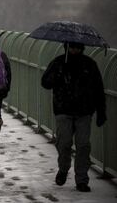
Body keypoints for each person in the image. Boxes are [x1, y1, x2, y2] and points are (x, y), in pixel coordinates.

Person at [41, 42, 107, 192]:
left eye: (77, 47)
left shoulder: (89, 64)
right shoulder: (58, 62)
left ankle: (82, 180)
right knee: (64, 143)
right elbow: (45, 82)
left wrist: (101, 111)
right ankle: (63, 169)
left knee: (83, 146)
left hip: (84, 112)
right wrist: (57, 75)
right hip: (63, 110)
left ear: (82, 48)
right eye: (72, 47)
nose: (74, 50)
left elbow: (98, 89)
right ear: (67, 47)